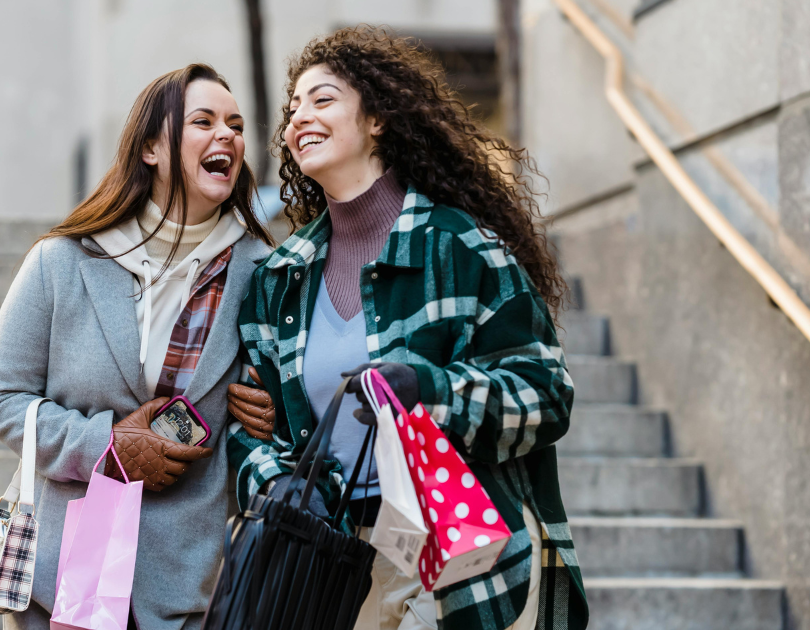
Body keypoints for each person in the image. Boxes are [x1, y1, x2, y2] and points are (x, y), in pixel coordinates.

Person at [226, 27, 588, 630]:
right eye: (292, 109)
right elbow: (246, 431)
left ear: (378, 119)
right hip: (333, 563)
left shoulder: (458, 246)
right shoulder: (278, 280)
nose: (298, 119)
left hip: (462, 557)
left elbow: (546, 392)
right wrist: (280, 485)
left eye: (322, 100)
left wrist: (433, 390)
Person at [0, 63, 275, 630]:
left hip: (187, 583)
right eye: (204, 121)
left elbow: (272, 413)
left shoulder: (264, 274)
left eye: (236, 126)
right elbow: (0, 397)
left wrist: (267, 414)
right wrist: (104, 446)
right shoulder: (62, 262)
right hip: (62, 576)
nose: (228, 137)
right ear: (151, 149)